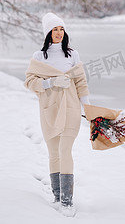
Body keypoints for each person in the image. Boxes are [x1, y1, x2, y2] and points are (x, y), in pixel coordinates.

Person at [24, 12, 90, 217]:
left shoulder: (73, 55)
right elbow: (29, 82)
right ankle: (57, 195)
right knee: (53, 153)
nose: (59, 33)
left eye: (62, 29)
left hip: (70, 108)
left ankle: (67, 201)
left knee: (65, 151)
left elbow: (81, 83)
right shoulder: (38, 57)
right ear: (47, 33)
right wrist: (50, 82)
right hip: (49, 110)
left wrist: (87, 108)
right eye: (55, 29)